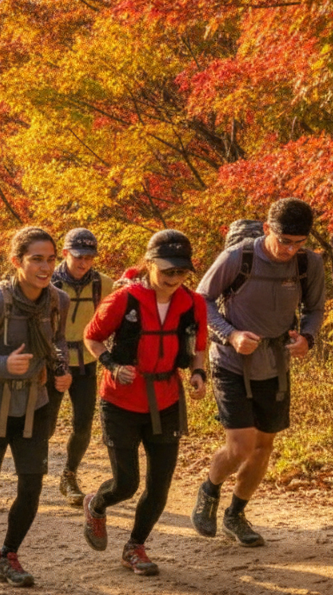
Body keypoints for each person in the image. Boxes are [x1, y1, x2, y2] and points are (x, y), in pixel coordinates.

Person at [191, 198, 325, 547]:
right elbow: (200, 300)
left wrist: (307, 338)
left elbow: (315, 309)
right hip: (231, 361)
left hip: (274, 363)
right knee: (240, 446)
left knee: (264, 446)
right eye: (284, 241)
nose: (290, 249)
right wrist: (230, 334)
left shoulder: (309, 263)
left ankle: (235, 514)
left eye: (299, 242)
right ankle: (209, 490)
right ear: (267, 229)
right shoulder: (239, 257)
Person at [80, 229, 208, 575]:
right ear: (150, 264)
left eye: (181, 272)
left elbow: (199, 347)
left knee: (159, 485)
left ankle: (135, 547)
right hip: (120, 401)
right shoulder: (124, 299)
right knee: (126, 483)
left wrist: (198, 375)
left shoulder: (193, 303)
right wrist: (112, 365)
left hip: (166, 399)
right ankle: (97, 502)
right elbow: (91, 338)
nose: (175, 278)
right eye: (168, 271)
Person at [0, 226, 71, 588]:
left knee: (32, 483)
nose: (45, 266)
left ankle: (8, 555)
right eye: (37, 259)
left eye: (51, 259)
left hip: (36, 402)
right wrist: (3, 365)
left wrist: (61, 369)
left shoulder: (57, 301)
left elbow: (59, 341)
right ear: (16, 261)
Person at [49, 228, 115, 506]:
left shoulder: (103, 284)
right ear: (65, 254)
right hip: (51, 362)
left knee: (83, 425)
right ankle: (33, 471)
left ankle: (69, 475)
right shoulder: (48, 282)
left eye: (89, 257)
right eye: (78, 256)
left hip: (86, 363)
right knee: (45, 424)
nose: (84, 262)